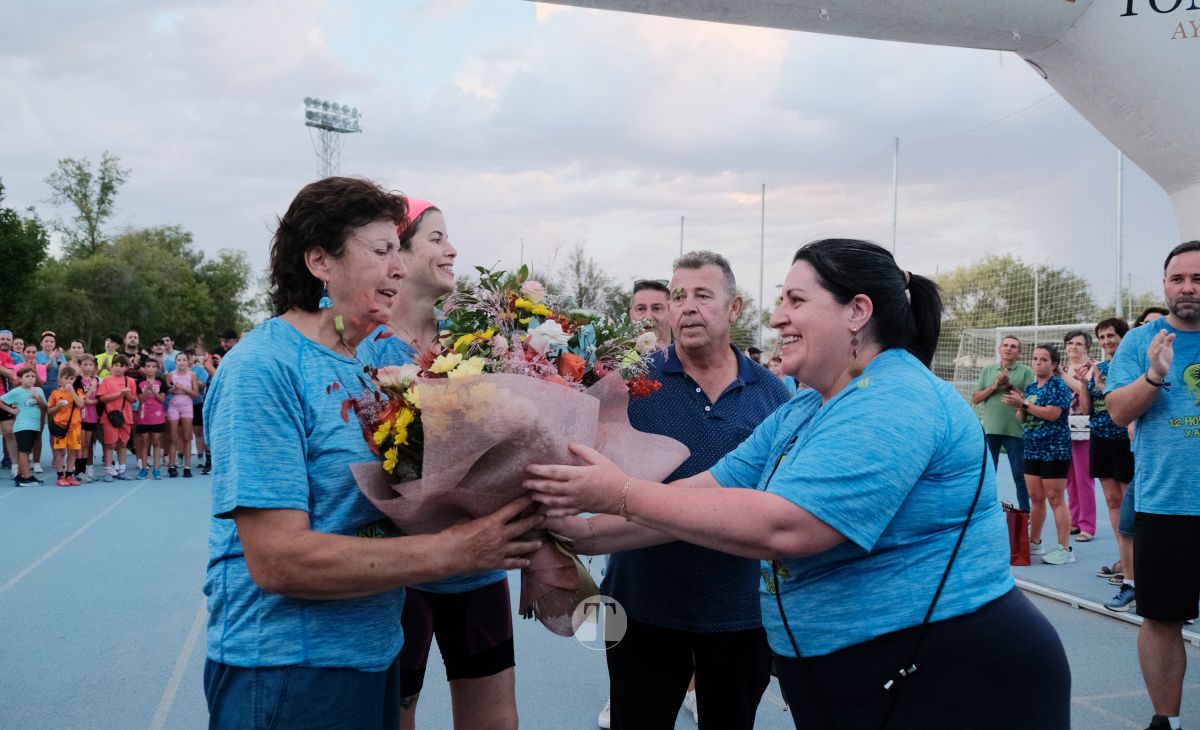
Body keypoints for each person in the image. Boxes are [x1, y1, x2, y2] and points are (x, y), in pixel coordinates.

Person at [527, 238, 1069, 729]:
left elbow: (788, 527)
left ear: (857, 312)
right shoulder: (807, 407)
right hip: (863, 676)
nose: (778, 319)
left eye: (795, 301)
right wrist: (577, 531)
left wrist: (620, 492)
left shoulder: (896, 398)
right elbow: (708, 490)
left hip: (946, 674)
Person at [202, 177, 542, 729]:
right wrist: (457, 551)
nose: (400, 268)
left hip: (372, 655)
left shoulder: (369, 369)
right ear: (320, 261)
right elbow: (277, 559)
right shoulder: (264, 368)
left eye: (397, 252)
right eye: (383, 252)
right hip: (289, 668)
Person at [602, 252, 790, 730]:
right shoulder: (629, 382)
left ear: (735, 308)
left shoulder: (774, 395)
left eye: (702, 296)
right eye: (678, 297)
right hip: (640, 603)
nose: (686, 307)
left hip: (739, 612)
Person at [371, 199, 519, 730]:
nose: (452, 249)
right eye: (436, 238)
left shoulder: (479, 342)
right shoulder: (362, 348)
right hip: (399, 572)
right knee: (397, 712)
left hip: (478, 568)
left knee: (495, 720)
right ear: (398, 254)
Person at [1105, 241, 1200, 730]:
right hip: (1167, 504)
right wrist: (1155, 376)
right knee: (1161, 618)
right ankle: (1169, 721)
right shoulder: (1140, 342)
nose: (1187, 288)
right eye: (1178, 279)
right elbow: (1120, 411)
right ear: (1164, 284)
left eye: (1198, 279)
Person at [1101, 306, 1170, 611]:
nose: (1155, 333)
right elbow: (1120, 412)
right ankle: (1131, 583)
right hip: (1145, 462)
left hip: (1179, 469)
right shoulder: (1137, 356)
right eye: (1146, 326)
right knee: (1127, 523)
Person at [1004, 345, 1075, 564]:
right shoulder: (1032, 387)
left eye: (1043, 359)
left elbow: (1053, 415)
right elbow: (1023, 418)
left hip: (1054, 449)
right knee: (1035, 498)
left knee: (1055, 498)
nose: (1037, 363)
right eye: (1035, 358)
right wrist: (1020, 407)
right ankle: (1035, 542)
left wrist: (1024, 403)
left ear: (1054, 364)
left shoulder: (1059, 386)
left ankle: (1065, 548)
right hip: (1032, 448)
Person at [1086, 319, 1133, 578]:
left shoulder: (1131, 366)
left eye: (1111, 335)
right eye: (1102, 337)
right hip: (1100, 437)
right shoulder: (1099, 367)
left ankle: (1137, 562)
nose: (1106, 341)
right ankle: (1123, 558)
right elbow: (1089, 406)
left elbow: (1122, 401)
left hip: (1124, 439)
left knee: (1128, 502)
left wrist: (1105, 388)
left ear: (1123, 336)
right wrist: (1081, 383)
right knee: (1111, 500)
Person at [972, 335, 1035, 511]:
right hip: (991, 430)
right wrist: (994, 386)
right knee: (988, 475)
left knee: (1019, 476)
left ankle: (1025, 512)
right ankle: (985, 510)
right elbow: (975, 398)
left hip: (1016, 432)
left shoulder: (1026, 371)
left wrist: (1008, 385)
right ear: (1000, 349)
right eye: (1005, 345)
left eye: (1013, 346)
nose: (1008, 348)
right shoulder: (988, 370)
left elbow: (1031, 400)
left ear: (1019, 352)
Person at [1061, 329, 1097, 541]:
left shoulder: (1092, 368)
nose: (1073, 347)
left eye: (1078, 344)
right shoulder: (1063, 368)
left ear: (1087, 348)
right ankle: (1074, 520)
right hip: (1063, 428)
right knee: (1069, 479)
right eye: (1070, 343)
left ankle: (1087, 526)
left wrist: (1063, 375)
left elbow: (1084, 391)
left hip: (1084, 428)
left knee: (1084, 478)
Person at [0, 366, 47, 486]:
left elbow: (45, 408)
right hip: (22, 425)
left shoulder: (38, 391)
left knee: (27, 451)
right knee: (23, 451)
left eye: (33, 376)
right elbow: (1, 401)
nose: (31, 379)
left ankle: (20, 476)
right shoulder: (17, 391)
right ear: (20, 379)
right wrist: (12, 410)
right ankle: (26, 476)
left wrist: (39, 400)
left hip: (34, 425)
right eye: (27, 377)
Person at [97, 354, 136, 482]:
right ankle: (108, 470)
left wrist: (127, 394)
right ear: (112, 366)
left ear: (126, 368)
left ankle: (122, 470)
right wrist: (119, 394)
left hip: (126, 416)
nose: (118, 368)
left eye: (122, 366)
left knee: (123, 444)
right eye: (116, 365)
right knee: (109, 444)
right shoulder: (106, 380)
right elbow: (102, 398)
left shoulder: (130, 381)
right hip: (110, 416)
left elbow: (133, 400)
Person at [47, 365, 84, 487]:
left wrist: (72, 391)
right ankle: (60, 476)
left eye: (72, 378)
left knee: (73, 452)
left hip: (75, 427)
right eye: (66, 378)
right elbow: (49, 411)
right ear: (61, 379)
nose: (69, 381)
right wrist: (57, 407)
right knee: (60, 452)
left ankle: (69, 474)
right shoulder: (55, 393)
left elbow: (81, 404)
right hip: (61, 426)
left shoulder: (78, 391)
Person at [165, 352, 198, 478]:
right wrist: (173, 389)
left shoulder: (192, 375)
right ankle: (172, 466)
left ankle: (187, 466)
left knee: (187, 437)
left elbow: (195, 394)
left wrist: (184, 388)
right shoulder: (170, 375)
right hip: (174, 405)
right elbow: (167, 390)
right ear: (176, 362)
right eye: (179, 360)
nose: (182, 362)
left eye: (184, 360)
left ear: (188, 362)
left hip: (187, 405)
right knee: (173, 437)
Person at [136, 358, 167, 480]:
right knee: (144, 442)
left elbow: (162, 399)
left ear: (157, 369)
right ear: (144, 368)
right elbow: (141, 399)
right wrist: (146, 389)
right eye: (148, 366)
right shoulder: (139, 382)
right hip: (144, 416)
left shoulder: (161, 382)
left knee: (156, 442)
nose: (150, 369)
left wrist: (153, 390)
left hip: (157, 416)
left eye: (153, 366)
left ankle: (156, 468)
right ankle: (143, 468)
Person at [77, 354, 101, 482]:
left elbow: (99, 398)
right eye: (85, 365)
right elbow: (82, 398)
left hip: (92, 416)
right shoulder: (78, 380)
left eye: (90, 365)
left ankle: (85, 470)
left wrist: (95, 401)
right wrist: (92, 387)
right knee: (80, 444)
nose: (88, 367)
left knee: (87, 445)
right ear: (80, 366)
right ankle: (78, 471)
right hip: (81, 416)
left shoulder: (96, 379)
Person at [629, 279, 671, 346]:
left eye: (657, 308)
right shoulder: (616, 355)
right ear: (631, 315)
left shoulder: (690, 355)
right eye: (641, 309)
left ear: (672, 313)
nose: (648, 317)